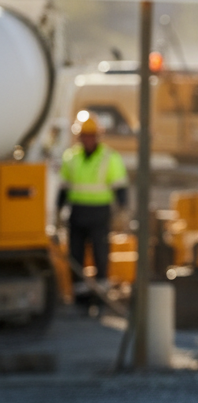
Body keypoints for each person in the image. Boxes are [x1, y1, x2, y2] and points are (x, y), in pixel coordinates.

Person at [58, 114, 128, 308]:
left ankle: (101, 298)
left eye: (91, 135)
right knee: (76, 257)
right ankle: (81, 300)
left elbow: (120, 187)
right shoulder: (70, 158)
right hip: (77, 214)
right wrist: (58, 210)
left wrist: (122, 209)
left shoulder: (109, 157)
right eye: (84, 135)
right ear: (79, 137)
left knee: (101, 256)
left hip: (100, 215)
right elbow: (64, 189)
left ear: (98, 136)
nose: (88, 139)